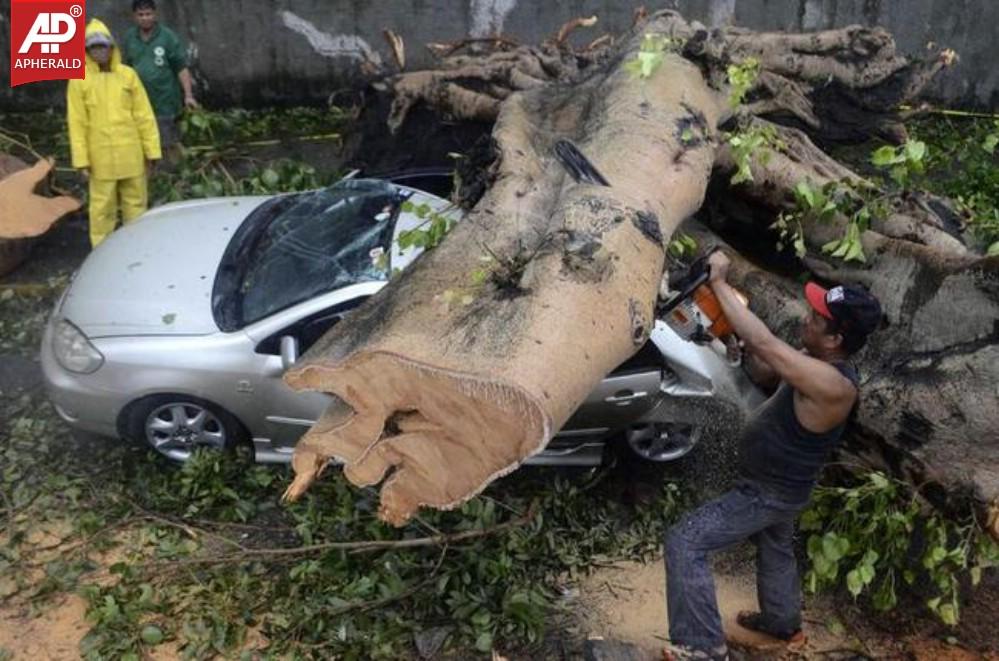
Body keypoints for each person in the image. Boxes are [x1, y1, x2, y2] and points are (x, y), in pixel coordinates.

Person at [663, 250, 882, 661]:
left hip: (768, 493)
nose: (806, 318)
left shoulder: (834, 385)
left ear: (836, 339)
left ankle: (703, 647)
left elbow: (766, 342)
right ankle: (783, 625)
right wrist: (732, 343)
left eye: (817, 319)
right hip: (784, 489)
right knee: (776, 546)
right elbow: (765, 366)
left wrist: (720, 283)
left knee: (685, 541)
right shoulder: (816, 364)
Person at [67, 19, 161, 248]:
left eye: (103, 46)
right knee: (101, 209)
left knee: (136, 204)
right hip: (101, 159)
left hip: (131, 153)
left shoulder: (128, 76)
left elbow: (144, 116)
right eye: (93, 48)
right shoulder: (79, 80)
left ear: (112, 48)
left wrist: (152, 151)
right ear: (86, 51)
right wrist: (82, 161)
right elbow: (77, 123)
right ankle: (101, 253)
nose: (99, 52)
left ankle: (137, 248)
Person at [121, 0, 198, 157]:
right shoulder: (129, 37)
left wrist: (188, 96)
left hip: (165, 101)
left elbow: (181, 68)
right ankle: (153, 176)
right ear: (134, 16)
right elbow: (125, 70)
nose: (145, 18)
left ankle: (177, 175)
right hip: (140, 102)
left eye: (148, 14)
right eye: (141, 15)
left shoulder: (167, 37)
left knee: (169, 143)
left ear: (155, 15)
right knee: (145, 144)